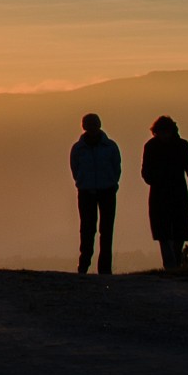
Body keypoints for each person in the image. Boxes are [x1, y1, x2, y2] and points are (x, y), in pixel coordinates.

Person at [141, 114, 188, 270]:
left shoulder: (182, 146)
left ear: (171, 131)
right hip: (159, 193)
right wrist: (156, 178)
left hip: (178, 192)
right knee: (162, 231)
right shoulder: (151, 146)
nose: (163, 135)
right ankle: (170, 265)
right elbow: (145, 172)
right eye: (160, 132)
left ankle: (175, 261)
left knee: (180, 230)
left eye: (166, 132)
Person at [68, 112, 122, 274]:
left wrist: (110, 183)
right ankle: (84, 264)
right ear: (84, 127)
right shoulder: (79, 149)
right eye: (89, 125)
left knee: (105, 230)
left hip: (106, 191)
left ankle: (103, 268)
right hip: (87, 192)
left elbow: (116, 168)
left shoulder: (109, 147)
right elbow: (75, 169)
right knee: (87, 229)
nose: (91, 128)